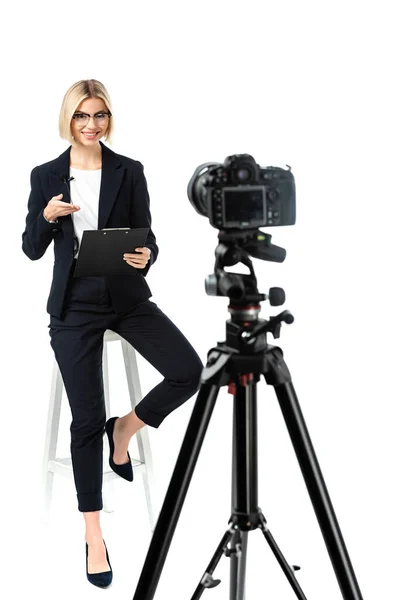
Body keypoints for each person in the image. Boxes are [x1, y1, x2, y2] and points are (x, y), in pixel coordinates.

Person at [22, 79, 204, 588]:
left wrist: (147, 256)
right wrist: (47, 216)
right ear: (69, 119)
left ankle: (124, 430)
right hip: (74, 307)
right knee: (84, 420)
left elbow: (146, 237)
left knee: (190, 370)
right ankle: (94, 535)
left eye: (99, 115)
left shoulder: (130, 170)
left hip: (125, 296)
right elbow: (31, 248)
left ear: (108, 119)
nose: (91, 124)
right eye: (82, 115)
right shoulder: (45, 176)